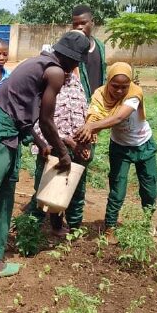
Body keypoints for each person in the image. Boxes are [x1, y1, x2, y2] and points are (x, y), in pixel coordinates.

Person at [0, 31, 91, 305]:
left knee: (5, 199)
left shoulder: (35, 62)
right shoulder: (55, 72)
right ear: (73, 60)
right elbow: (46, 120)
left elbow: (24, 112)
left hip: (11, 134)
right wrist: (63, 154)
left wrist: (39, 142)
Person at [75, 62, 157, 238]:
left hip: (144, 144)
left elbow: (119, 117)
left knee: (149, 189)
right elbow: (94, 114)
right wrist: (88, 132)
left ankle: (148, 223)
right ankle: (110, 226)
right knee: (117, 190)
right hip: (120, 148)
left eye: (124, 87)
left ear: (130, 84)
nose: (119, 91)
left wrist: (91, 127)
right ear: (108, 81)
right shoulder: (100, 95)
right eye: (115, 86)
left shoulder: (135, 93)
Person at [25, 68, 91, 236]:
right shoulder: (44, 83)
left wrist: (85, 143)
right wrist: (64, 140)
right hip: (50, 146)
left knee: (74, 189)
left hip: (77, 147)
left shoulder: (76, 82)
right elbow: (39, 120)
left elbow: (83, 114)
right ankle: (29, 232)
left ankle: (73, 229)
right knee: (45, 189)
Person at [72, 4, 106, 101]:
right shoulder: (69, 48)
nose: (79, 27)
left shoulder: (100, 46)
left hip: (98, 101)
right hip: (78, 101)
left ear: (92, 22)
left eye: (83, 23)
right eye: (75, 24)